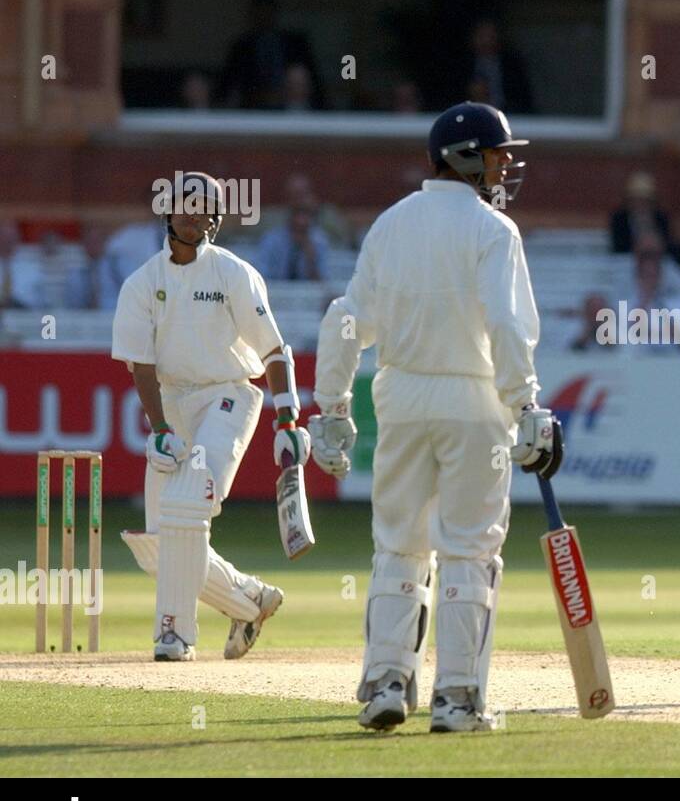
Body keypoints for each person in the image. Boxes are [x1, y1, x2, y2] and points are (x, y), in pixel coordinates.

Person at [311, 101, 561, 733]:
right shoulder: (493, 231)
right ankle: (456, 698)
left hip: (400, 400)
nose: (505, 170)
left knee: (399, 545)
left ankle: (386, 684)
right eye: (500, 156)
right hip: (474, 403)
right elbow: (505, 326)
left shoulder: (391, 224)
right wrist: (526, 403)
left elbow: (346, 321)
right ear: (468, 158)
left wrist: (333, 407)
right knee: (469, 550)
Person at [110, 172, 307, 661]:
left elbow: (274, 351)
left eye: (205, 208)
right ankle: (250, 599)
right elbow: (143, 365)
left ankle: (173, 634)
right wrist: (158, 431)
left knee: (188, 503)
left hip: (228, 396)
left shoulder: (233, 273)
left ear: (216, 219)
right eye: (187, 205)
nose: (195, 215)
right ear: (168, 212)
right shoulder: (142, 284)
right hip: (173, 402)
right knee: (159, 547)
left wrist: (288, 420)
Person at [256, 205, 331, 281]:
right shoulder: (272, 240)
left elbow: (322, 282)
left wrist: (311, 260)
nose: (298, 235)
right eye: (296, 228)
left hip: (305, 290)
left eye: (302, 230)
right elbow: (261, 274)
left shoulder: (319, 242)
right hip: (275, 288)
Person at [609, 171, 673, 254]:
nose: (640, 204)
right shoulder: (619, 219)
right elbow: (618, 246)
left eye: (644, 201)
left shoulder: (661, 218)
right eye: (636, 200)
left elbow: (667, 244)